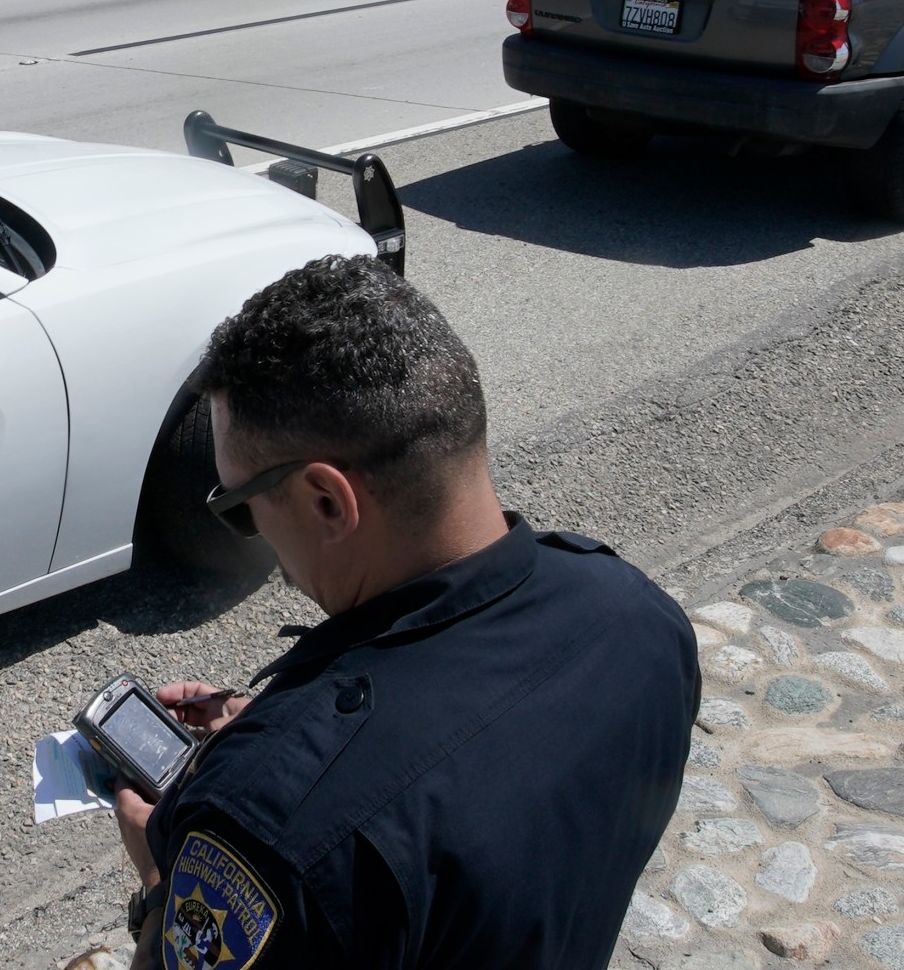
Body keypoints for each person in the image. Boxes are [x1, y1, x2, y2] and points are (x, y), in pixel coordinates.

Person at [114, 255, 698, 970]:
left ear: (326, 500)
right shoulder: (641, 619)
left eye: (238, 508)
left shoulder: (264, 836)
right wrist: (283, 736)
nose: (254, 535)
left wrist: (160, 881)